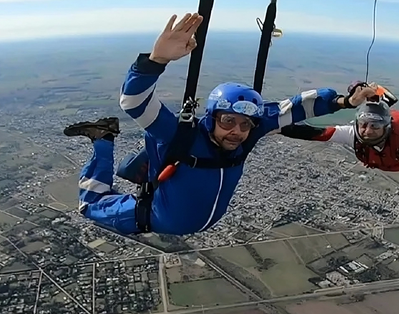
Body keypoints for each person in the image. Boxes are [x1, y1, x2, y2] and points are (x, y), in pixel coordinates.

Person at [63, 13, 379, 236]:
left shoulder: (248, 135)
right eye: (228, 121)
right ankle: (103, 138)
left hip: (180, 220)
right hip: (152, 217)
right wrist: (156, 60)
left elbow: (294, 108)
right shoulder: (180, 134)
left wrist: (344, 102)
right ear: (211, 117)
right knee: (90, 205)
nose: (237, 132)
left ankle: (106, 142)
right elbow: (134, 102)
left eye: (245, 125)